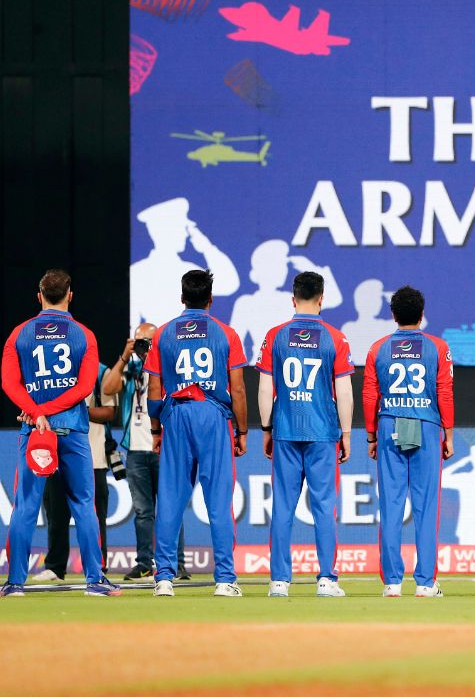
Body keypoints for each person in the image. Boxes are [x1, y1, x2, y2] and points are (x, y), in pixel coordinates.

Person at [1, 269, 120, 596]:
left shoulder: (19, 334)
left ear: (39, 296)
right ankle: (94, 580)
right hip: (72, 431)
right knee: (84, 504)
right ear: (70, 295)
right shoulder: (84, 335)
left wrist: (37, 412)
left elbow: (9, 383)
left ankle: (14, 583)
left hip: (34, 431)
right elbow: (84, 387)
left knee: (25, 506)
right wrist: (50, 411)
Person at [145, 269, 249, 597]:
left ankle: (164, 578)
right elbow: (238, 389)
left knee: (170, 500)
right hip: (213, 416)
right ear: (210, 299)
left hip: (176, 415)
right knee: (218, 501)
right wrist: (242, 431)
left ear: (182, 297)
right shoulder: (226, 333)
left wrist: (156, 429)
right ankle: (225, 580)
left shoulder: (164, 333)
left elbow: (154, 389)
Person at [257, 271, 354, 598]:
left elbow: (265, 388)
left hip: (285, 430)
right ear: (322, 299)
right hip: (323, 432)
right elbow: (344, 392)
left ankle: (279, 581)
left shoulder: (275, 336)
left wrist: (266, 428)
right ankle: (327, 580)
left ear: (293, 298)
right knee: (324, 506)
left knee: (283, 506)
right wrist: (346, 434)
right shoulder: (335, 338)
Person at [363, 285, 454, 598]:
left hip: (390, 424)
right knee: (426, 507)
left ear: (393, 315)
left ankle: (392, 583)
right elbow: (444, 392)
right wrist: (448, 433)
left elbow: (370, 395)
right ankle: (426, 583)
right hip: (426, 425)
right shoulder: (438, 347)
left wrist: (372, 435)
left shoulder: (377, 348)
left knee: (391, 506)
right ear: (422, 314)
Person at [101, 322, 188, 581]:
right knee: (142, 512)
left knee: (171, 508)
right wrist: (125, 356)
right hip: (136, 450)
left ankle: (177, 564)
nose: (143, 347)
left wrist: (156, 357)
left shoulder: (168, 364)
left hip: (164, 446)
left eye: (148, 341)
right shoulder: (130, 368)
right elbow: (108, 388)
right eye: (139, 341)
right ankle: (144, 563)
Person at [34, 362, 115, 581]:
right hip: (57, 452)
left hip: (93, 457)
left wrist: (76, 412)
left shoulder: (101, 372)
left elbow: (110, 412)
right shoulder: (52, 373)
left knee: (93, 514)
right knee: (56, 513)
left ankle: (98, 566)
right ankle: (55, 566)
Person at [230, 239, 344, 365]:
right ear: (262, 268)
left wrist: (313, 269)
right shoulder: (245, 303)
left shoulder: (293, 299)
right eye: (277, 265)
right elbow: (235, 345)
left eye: (284, 265)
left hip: (295, 365)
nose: (283, 270)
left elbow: (335, 298)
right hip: (260, 366)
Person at [130, 198, 240, 326]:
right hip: (158, 337)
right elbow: (132, 323)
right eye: (181, 228)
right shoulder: (138, 272)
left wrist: (207, 247)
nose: (186, 234)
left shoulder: (189, 271)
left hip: (192, 335)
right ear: (164, 231)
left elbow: (229, 284)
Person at [342, 278, 398, 363]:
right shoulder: (349, 328)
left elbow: (413, 321)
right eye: (374, 298)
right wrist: (395, 301)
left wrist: (395, 301)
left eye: (379, 299)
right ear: (359, 302)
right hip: (358, 371)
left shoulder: (386, 325)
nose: (378, 303)